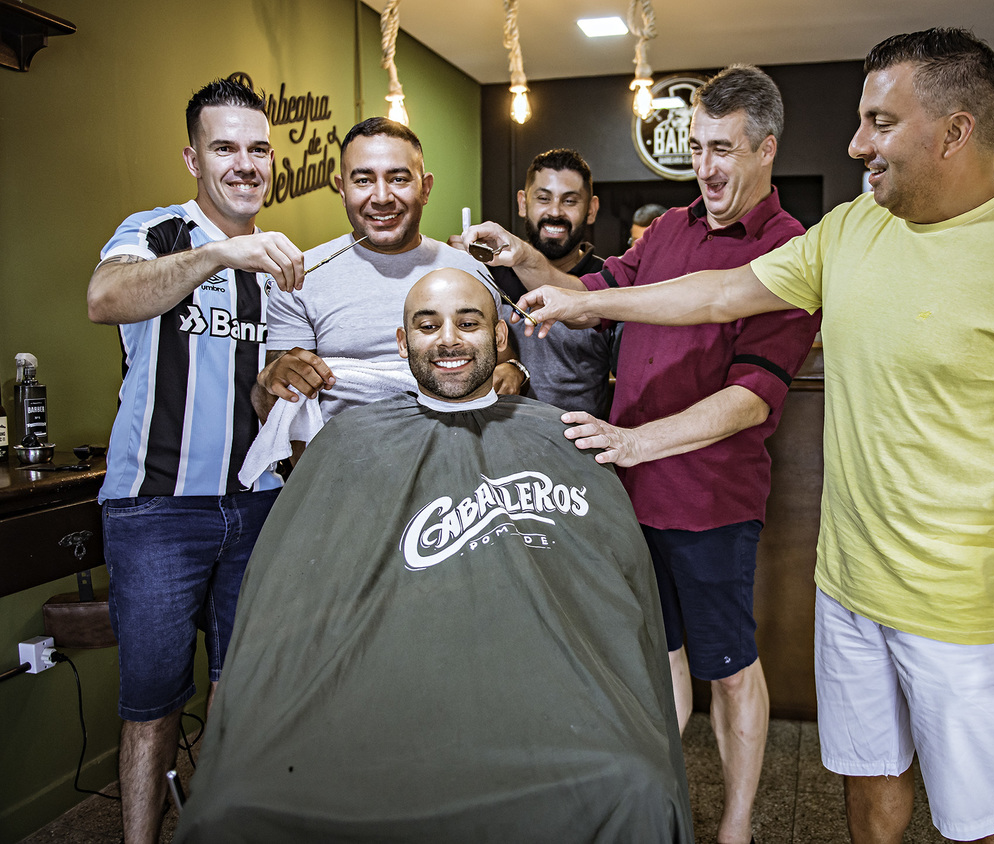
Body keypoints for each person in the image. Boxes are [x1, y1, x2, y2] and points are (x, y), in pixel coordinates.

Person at [513, 28, 994, 844]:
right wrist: (586, 301)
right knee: (868, 787)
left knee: (984, 820)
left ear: (955, 131)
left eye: (880, 123)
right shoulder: (851, 229)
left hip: (965, 615)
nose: (856, 144)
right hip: (847, 590)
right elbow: (718, 294)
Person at [175, 269, 694, 843]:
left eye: (468, 323)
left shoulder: (563, 438)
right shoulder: (349, 443)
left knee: (637, 782)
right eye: (428, 326)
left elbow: (612, 590)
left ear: (500, 337)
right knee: (237, 799)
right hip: (386, 682)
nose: (448, 339)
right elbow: (294, 595)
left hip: (542, 687)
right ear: (403, 343)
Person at [466, 65, 820, 844]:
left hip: (711, 503)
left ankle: (736, 828)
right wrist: (519, 255)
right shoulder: (669, 230)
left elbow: (752, 399)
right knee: (660, 660)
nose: (706, 167)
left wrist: (635, 442)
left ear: (766, 149)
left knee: (730, 668)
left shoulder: (789, 251)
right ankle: (660, 810)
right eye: (697, 148)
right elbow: (589, 293)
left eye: (723, 149)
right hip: (630, 498)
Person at [85, 78, 305, 844]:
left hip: (257, 505)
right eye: (224, 148)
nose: (244, 164)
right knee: (152, 706)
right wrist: (217, 254)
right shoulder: (157, 230)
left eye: (257, 149)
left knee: (239, 693)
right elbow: (106, 298)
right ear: (192, 158)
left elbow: (268, 400)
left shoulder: (281, 263)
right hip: (155, 509)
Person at [254, 117, 525, 437]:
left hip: (457, 451)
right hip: (344, 458)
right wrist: (273, 380)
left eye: (398, 179)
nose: (382, 197)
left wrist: (513, 370)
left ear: (425, 188)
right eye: (363, 180)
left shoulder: (469, 271)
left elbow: (502, 362)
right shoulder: (302, 277)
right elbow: (283, 406)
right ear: (342, 189)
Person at [454, 148, 615, 418]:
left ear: (591, 209)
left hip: (579, 440)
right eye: (543, 198)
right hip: (495, 434)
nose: (555, 212)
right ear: (522, 203)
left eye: (570, 201)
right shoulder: (488, 275)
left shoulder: (608, 282)